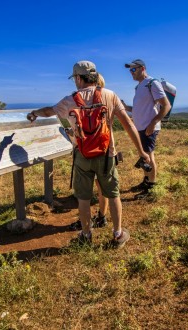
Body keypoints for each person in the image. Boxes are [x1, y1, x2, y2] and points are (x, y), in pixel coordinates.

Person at [27, 61, 150, 247]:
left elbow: (49, 111)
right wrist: (142, 151)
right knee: (113, 194)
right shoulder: (109, 95)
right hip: (107, 155)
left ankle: (86, 235)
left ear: (78, 78)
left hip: (82, 156)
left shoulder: (69, 100)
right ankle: (117, 234)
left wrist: (35, 113)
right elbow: (128, 124)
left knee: (83, 198)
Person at [122, 59, 171, 199]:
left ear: (142, 68)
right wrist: (126, 108)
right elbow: (138, 109)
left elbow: (166, 105)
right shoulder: (139, 87)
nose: (131, 73)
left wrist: (153, 123)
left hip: (149, 127)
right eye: (130, 70)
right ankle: (146, 181)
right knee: (145, 156)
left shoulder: (152, 83)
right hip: (141, 127)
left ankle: (151, 188)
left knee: (149, 157)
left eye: (133, 69)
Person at [69, 73, 108, 231]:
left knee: (84, 193)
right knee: (101, 186)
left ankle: (85, 225)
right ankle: (102, 217)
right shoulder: (106, 97)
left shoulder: (80, 99)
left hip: (85, 151)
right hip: (104, 148)